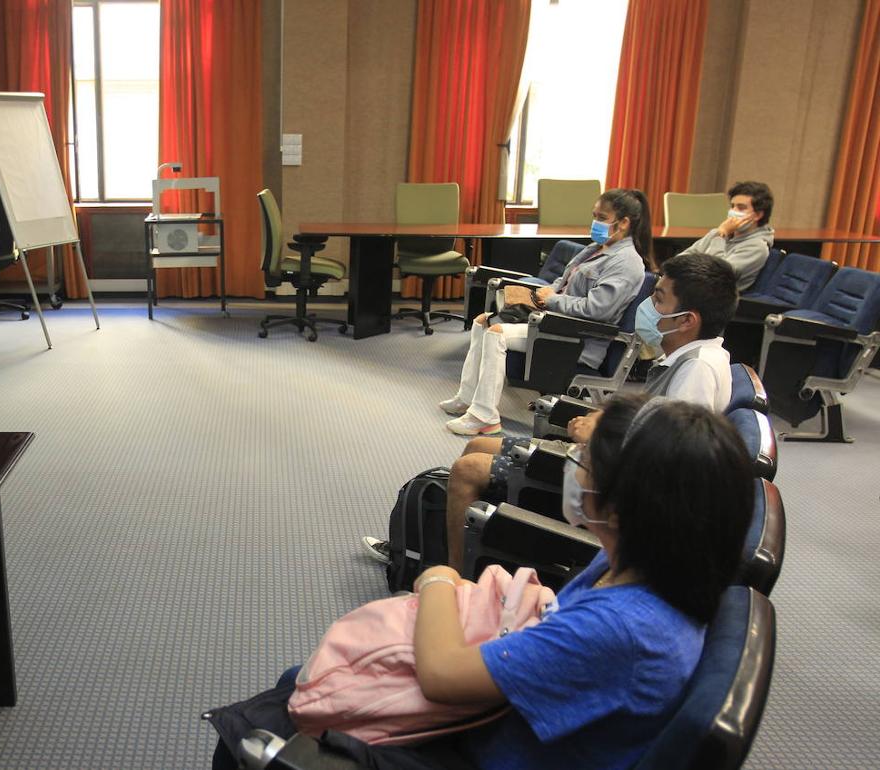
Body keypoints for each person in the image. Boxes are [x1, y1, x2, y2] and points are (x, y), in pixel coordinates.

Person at [211, 395, 754, 770]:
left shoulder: (626, 629)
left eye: (587, 465)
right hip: (500, 719)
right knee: (303, 683)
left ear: (627, 505)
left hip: (474, 751)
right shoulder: (640, 563)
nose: (575, 471)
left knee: (251, 736)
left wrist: (437, 581)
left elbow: (444, 676)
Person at [363, 251, 740, 570]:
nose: (648, 307)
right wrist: (608, 420)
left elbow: (669, 464)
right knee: (478, 448)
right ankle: (440, 555)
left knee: (467, 471)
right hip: (611, 464)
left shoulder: (698, 372)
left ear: (688, 320)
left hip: (615, 491)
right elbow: (659, 426)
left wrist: (596, 439)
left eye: (658, 299)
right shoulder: (690, 359)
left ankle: (454, 582)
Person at [440, 189, 649, 437]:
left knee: (496, 333)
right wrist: (545, 293)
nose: (595, 222)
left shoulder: (627, 262)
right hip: (556, 321)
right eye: (594, 215)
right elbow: (565, 280)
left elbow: (598, 310)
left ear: (624, 222)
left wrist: (554, 300)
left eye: (602, 217)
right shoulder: (597, 248)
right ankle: (466, 398)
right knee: (482, 321)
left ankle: (484, 416)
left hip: (578, 338)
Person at [675, 181, 774, 291]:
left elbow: (712, 274)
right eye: (732, 206)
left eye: (741, 208)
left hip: (713, 300)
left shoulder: (757, 247)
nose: (733, 212)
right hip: (688, 288)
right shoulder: (718, 233)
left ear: (758, 215)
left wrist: (720, 237)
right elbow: (679, 260)